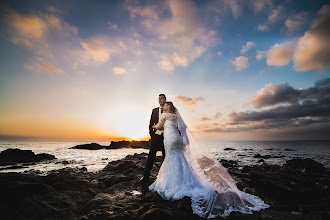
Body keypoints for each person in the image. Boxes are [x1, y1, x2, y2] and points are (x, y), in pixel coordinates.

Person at [148, 101, 270, 218]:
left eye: (165, 105)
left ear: (168, 106)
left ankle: (172, 182)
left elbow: (159, 126)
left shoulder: (164, 115)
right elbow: (182, 128)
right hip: (177, 139)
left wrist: (153, 126)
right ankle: (185, 179)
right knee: (179, 157)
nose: (163, 106)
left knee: (170, 158)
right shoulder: (175, 115)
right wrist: (184, 139)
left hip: (169, 139)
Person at [140, 94, 167, 183]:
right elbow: (151, 123)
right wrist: (152, 134)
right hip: (155, 137)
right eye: (158, 99)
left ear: (165, 99)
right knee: (151, 156)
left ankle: (165, 176)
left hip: (166, 137)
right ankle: (146, 175)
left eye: (161, 98)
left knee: (166, 157)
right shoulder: (154, 110)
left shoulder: (169, 110)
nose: (160, 100)